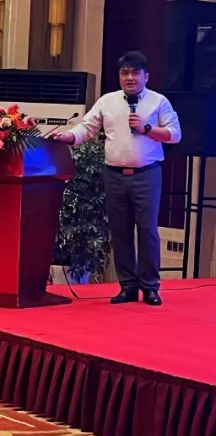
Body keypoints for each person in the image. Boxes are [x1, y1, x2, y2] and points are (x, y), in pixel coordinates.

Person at [53, 51, 182, 306]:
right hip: (114, 175)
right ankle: (128, 286)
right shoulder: (107, 101)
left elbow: (175, 134)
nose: (130, 78)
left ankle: (150, 287)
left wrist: (147, 128)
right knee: (120, 231)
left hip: (146, 174)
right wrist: (68, 137)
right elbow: (87, 127)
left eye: (135, 73)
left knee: (147, 230)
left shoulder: (159, 102)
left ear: (146, 76)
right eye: (125, 73)